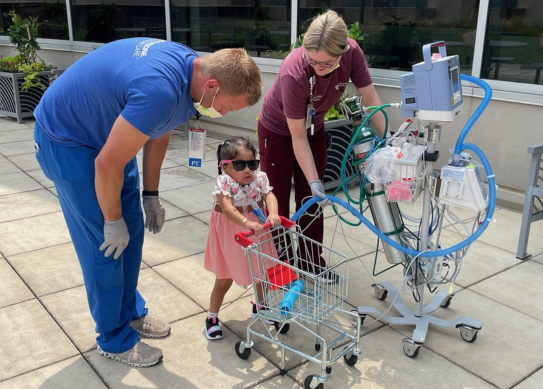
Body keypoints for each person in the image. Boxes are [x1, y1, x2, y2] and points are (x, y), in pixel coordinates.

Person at [33, 38, 262, 367]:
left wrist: (150, 196)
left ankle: (130, 313)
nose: (223, 114)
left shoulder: (189, 71)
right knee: (106, 245)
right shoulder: (161, 89)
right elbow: (106, 165)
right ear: (212, 85)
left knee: (133, 233)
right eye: (226, 106)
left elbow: (160, 129)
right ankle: (112, 337)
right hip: (68, 140)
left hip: (109, 133)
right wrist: (112, 222)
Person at [257, 10, 389, 278]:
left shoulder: (353, 53)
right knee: (277, 201)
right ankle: (282, 266)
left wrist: (388, 140)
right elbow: (296, 136)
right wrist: (314, 179)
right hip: (278, 132)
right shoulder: (292, 74)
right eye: (312, 60)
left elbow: (371, 97)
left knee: (312, 201)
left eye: (327, 63)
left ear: (342, 52)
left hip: (313, 128)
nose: (318, 67)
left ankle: (310, 263)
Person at [204, 137, 280, 340]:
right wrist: (245, 223)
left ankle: (261, 306)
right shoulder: (224, 182)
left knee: (262, 271)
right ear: (225, 167)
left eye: (252, 164)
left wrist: (273, 213)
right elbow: (227, 208)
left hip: (257, 225)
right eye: (239, 164)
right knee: (224, 276)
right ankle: (212, 316)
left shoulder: (259, 178)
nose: (248, 170)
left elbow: (269, 195)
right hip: (232, 228)